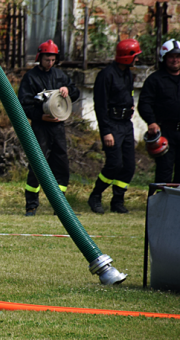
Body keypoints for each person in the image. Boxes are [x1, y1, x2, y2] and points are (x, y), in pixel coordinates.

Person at [17, 40, 80, 216]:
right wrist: (40, 116)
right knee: (38, 164)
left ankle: (60, 207)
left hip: (58, 127)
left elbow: (75, 93)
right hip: (40, 127)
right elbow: (24, 104)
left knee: (61, 164)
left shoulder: (60, 76)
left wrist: (67, 89)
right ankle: (31, 205)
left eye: (53, 60)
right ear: (40, 58)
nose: (50, 63)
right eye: (47, 59)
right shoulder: (31, 78)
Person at [88, 39, 140, 214]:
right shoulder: (106, 75)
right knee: (114, 164)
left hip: (126, 125)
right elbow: (100, 105)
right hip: (112, 124)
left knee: (129, 166)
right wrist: (106, 131)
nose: (137, 60)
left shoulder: (127, 74)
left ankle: (118, 200)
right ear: (127, 57)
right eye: (135, 56)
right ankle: (96, 195)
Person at [138, 39, 180, 184]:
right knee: (164, 171)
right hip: (165, 132)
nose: (175, 60)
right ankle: (162, 205)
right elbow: (144, 103)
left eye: (178, 56)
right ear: (164, 58)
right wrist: (151, 122)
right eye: (171, 56)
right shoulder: (154, 80)